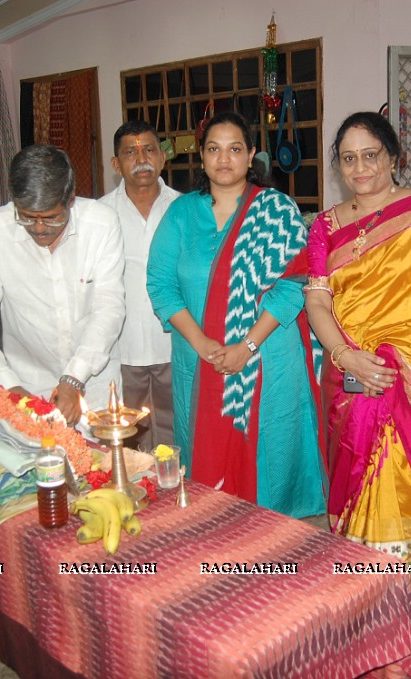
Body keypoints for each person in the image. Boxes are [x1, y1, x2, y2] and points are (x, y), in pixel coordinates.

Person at [304, 112, 411, 670]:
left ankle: (406, 624)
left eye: (370, 155)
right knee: (353, 485)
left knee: (399, 494)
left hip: (409, 375)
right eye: (348, 158)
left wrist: (394, 364)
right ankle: (360, 616)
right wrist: (348, 356)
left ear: (394, 155)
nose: (359, 169)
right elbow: (317, 301)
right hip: (349, 373)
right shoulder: (326, 225)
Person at [146, 111, 324, 518]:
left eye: (234, 149)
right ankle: (216, 532)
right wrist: (202, 343)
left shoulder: (276, 210)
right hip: (200, 357)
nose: (223, 159)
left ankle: (273, 542)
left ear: (252, 156)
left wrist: (246, 345)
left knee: (268, 454)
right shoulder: (181, 213)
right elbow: (160, 283)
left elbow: (294, 283)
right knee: (207, 453)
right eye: (213, 149)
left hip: (267, 358)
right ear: (202, 157)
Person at [0, 144, 125, 423]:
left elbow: (109, 308)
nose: (39, 228)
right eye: (27, 217)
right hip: (26, 384)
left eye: (51, 217)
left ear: (71, 199)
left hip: (94, 382)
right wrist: (8, 387)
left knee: (100, 462)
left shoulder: (101, 224)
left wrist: (74, 378)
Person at [99, 120, 179, 451]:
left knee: (177, 428)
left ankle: (179, 491)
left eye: (148, 149)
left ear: (162, 157)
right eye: (130, 152)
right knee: (128, 432)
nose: (141, 158)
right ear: (116, 165)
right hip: (122, 344)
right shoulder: (99, 214)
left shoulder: (185, 208)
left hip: (176, 342)